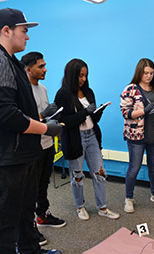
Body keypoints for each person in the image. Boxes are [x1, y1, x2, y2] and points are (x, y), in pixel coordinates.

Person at [0, 8, 62, 254]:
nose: (28, 37)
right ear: (7, 31)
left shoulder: (11, 61)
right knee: (3, 221)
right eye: (24, 31)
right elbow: (5, 115)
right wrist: (46, 128)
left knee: (24, 211)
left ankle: (31, 250)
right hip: (4, 157)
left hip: (23, 153)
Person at [54, 58, 120, 221]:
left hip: (92, 136)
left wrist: (99, 111)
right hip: (75, 138)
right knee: (77, 176)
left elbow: (94, 118)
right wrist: (85, 112)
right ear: (71, 75)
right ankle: (80, 206)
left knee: (100, 173)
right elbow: (65, 122)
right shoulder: (62, 94)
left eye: (85, 75)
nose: (83, 79)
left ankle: (102, 207)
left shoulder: (88, 92)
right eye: (80, 76)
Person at [21, 52, 66, 246]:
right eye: (41, 66)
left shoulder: (44, 88)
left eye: (44, 65)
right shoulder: (22, 91)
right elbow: (23, 122)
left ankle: (43, 215)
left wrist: (53, 117)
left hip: (47, 144)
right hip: (32, 147)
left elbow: (46, 117)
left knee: (43, 183)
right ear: (28, 69)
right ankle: (29, 228)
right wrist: (42, 115)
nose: (45, 69)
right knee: (29, 189)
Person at [120, 58, 154, 214]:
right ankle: (129, 198)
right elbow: (125, 113)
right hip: (136, 137)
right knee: (134, 168)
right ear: (139, 72)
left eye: (151, 73)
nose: (149, 76)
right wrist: (144, 110)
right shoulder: (131, 89)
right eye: (146, 73)